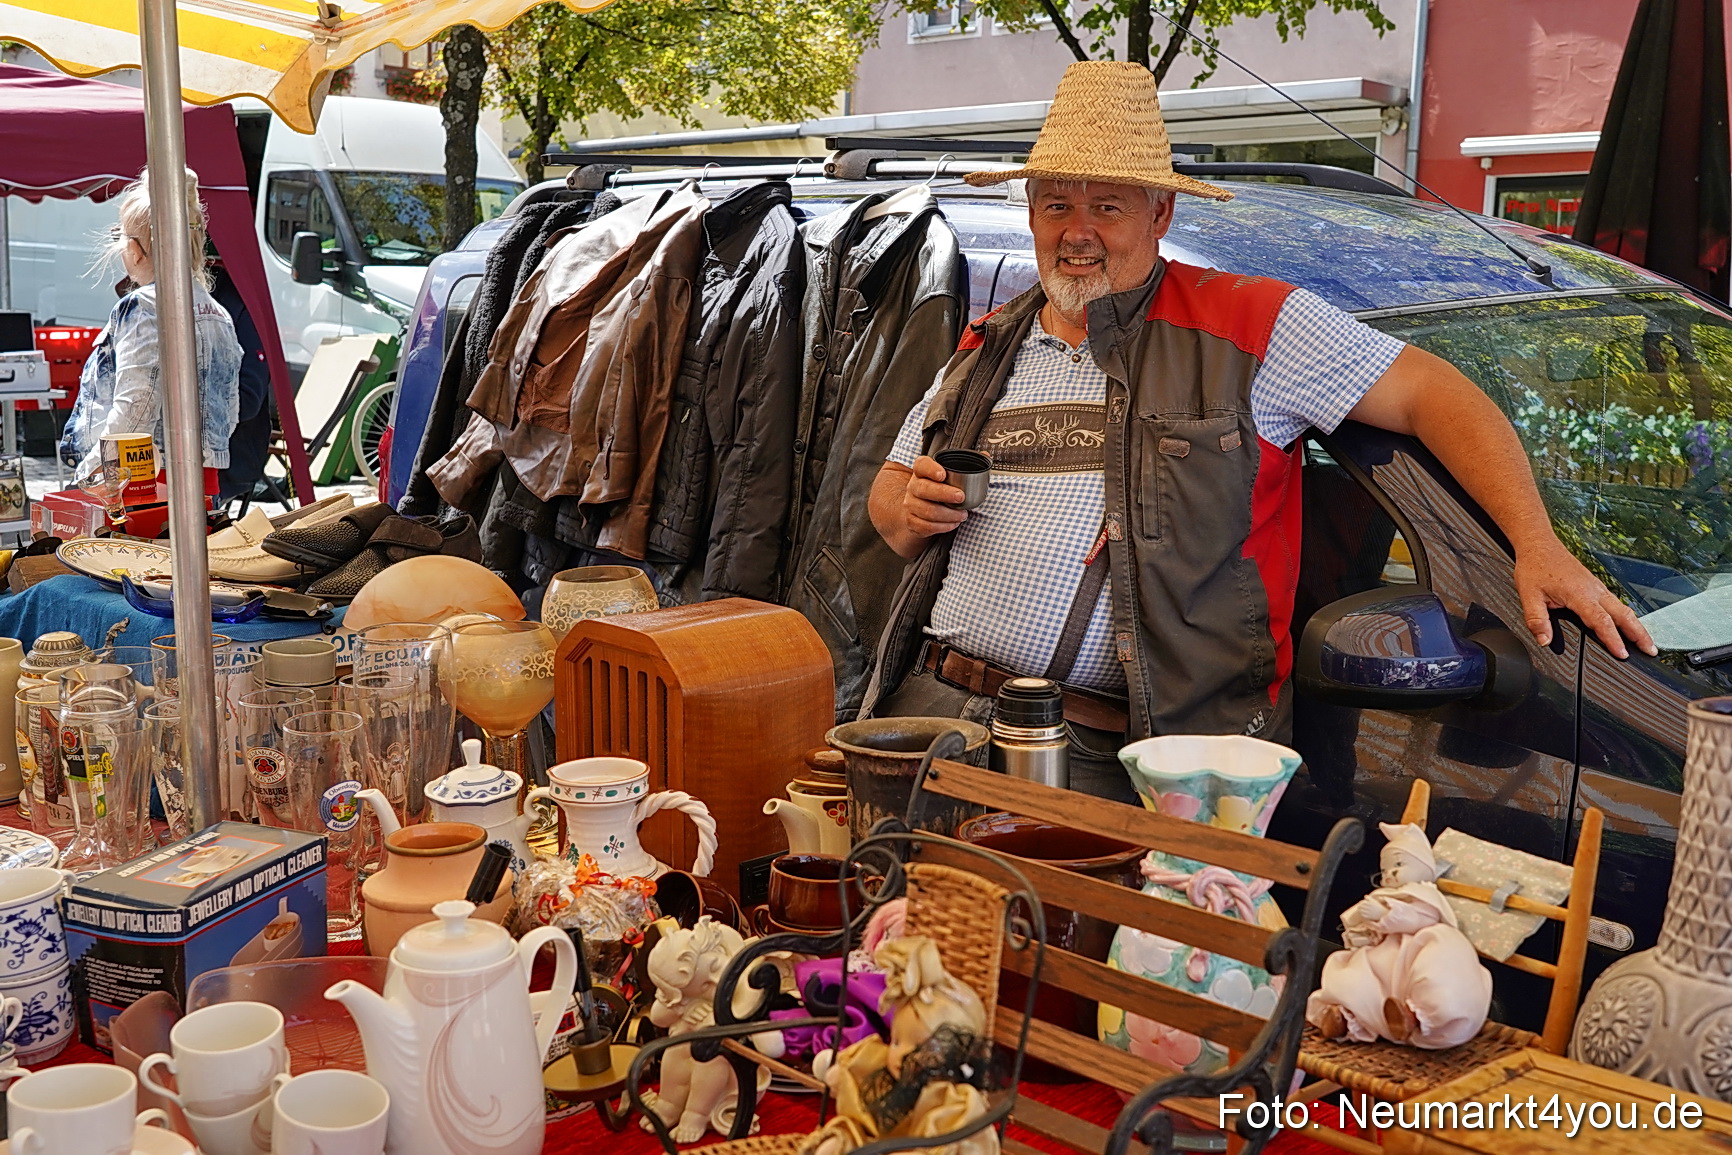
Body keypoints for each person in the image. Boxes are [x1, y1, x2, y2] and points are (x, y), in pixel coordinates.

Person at [863, 61, 1655, 803]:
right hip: (942, 715)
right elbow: (892, 492)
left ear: (1160, 211)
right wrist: (905, 511)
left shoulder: (1254, 322)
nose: (1078, 231)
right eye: (1057, 204)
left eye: (1107, 206)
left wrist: (1536, 541)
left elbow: (1434, 396)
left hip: (1124, 757)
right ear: (1030, 210)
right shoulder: (990, 343)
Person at [60, 170, 241, 488]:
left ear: (134, 249)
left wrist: (89, 476)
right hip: (203, 478)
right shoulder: (218, 313)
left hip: (141, 479)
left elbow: (135, 408)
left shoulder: (142, 307)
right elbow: (229, 412)